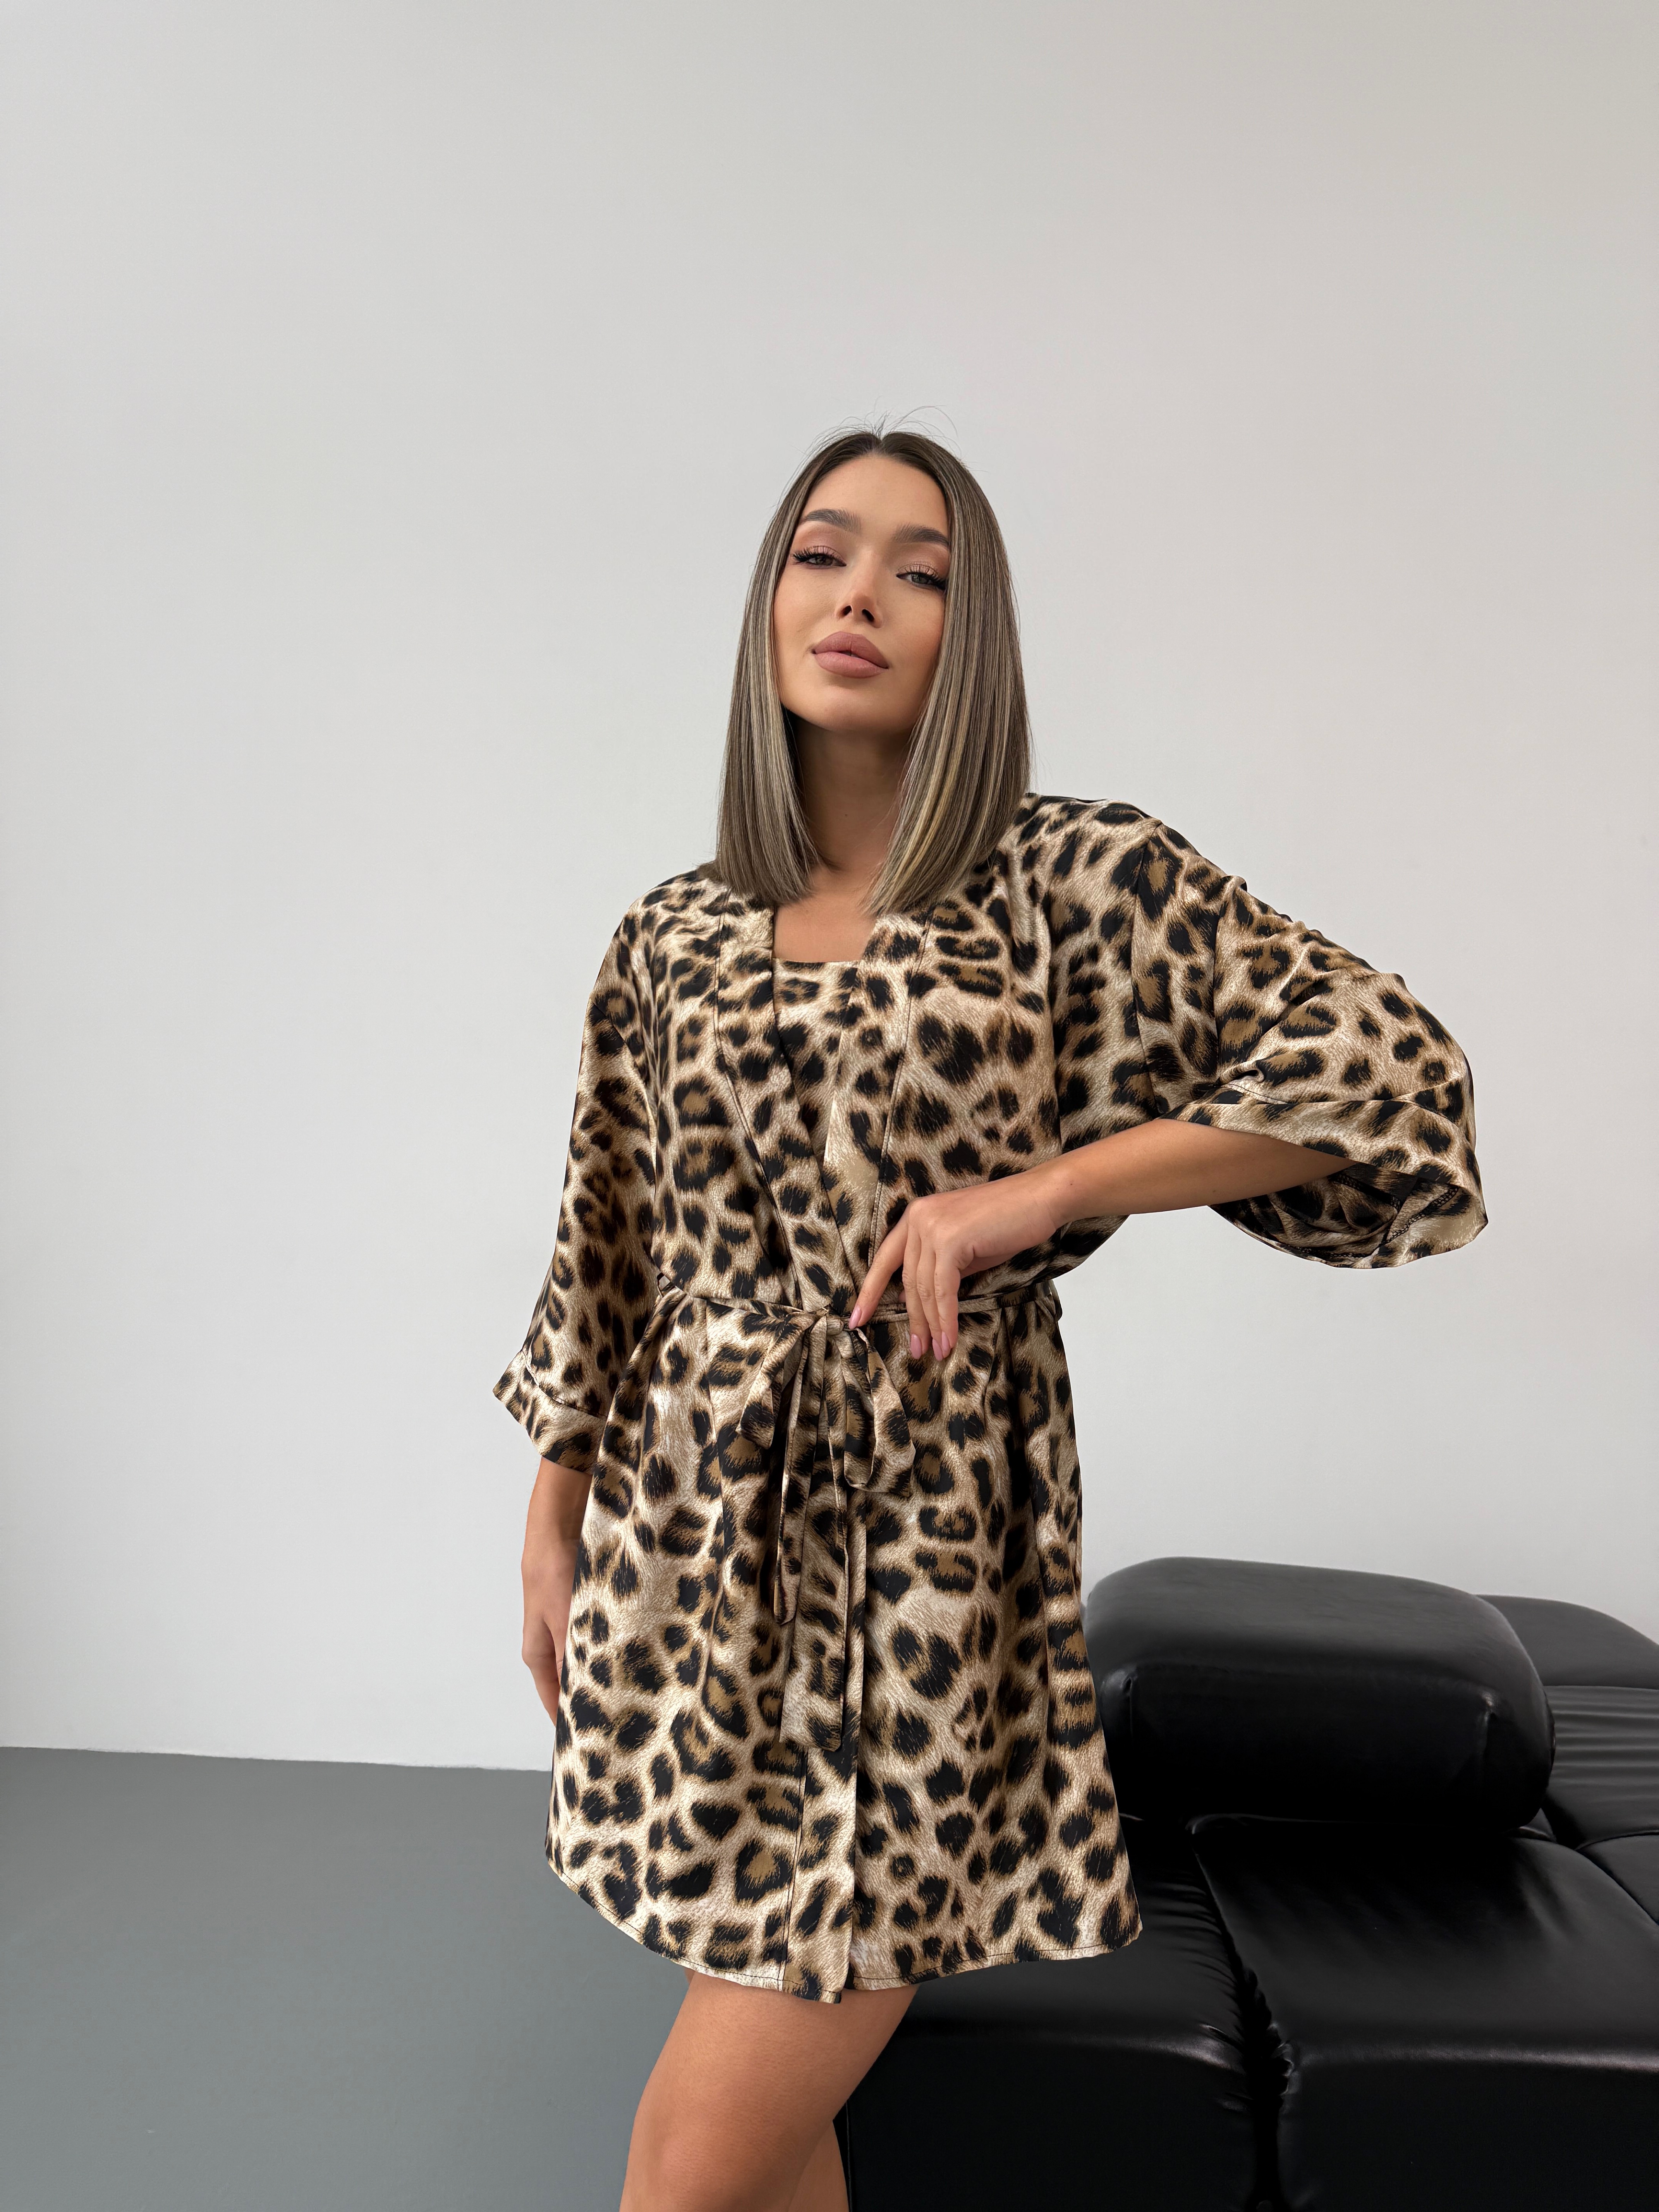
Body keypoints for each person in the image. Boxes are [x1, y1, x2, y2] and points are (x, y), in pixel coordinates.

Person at [496, 426, 1486, 2212]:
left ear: (977, 634)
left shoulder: (1064, 883)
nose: (860, 596)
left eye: (922, 570)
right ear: (767, 600)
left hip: (920, 1573)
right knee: (773, 2144)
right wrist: (551, 1516)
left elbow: (1387, 1071)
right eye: (821, 553)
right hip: (691, 1566)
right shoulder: (672, 934)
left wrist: (1042, 1189)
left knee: (686, 2163)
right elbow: (608, 1245)